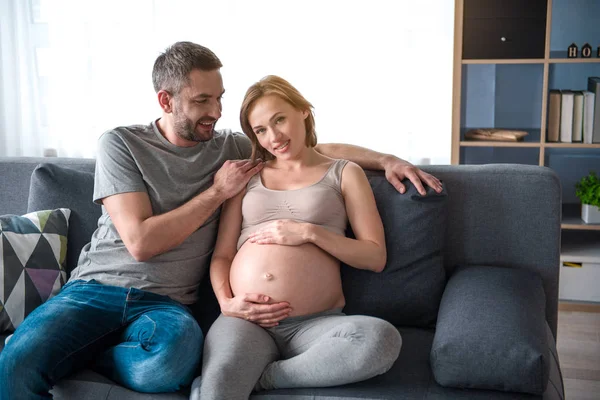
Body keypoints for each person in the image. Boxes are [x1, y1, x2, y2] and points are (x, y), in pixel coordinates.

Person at [0, 41, 441, 398]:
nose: (215, 111)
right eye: (202, 100)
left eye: (220, 99)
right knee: (17, 362)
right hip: (96, 289)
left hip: (167, 304)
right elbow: (141, 243)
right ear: (165, 100)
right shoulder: (121, 144)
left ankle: (93, 355)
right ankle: (83, 349)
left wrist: (385, 159)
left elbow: (313, 152)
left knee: (171, 367)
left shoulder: (230, 146)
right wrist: (218, 194)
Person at [195, 75, 403, 400]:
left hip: (317, 325)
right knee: (219, 387)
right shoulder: (247, 177)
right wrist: (227, 303)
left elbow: (374, 256)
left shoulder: (344, 173)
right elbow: (222, 256)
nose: (274, 136)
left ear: (303, 111)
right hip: (249, 320)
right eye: (261, 130)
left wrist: (309, 232)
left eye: (280, 120)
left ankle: (264, 378)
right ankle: (232, 379)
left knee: (380, 339)